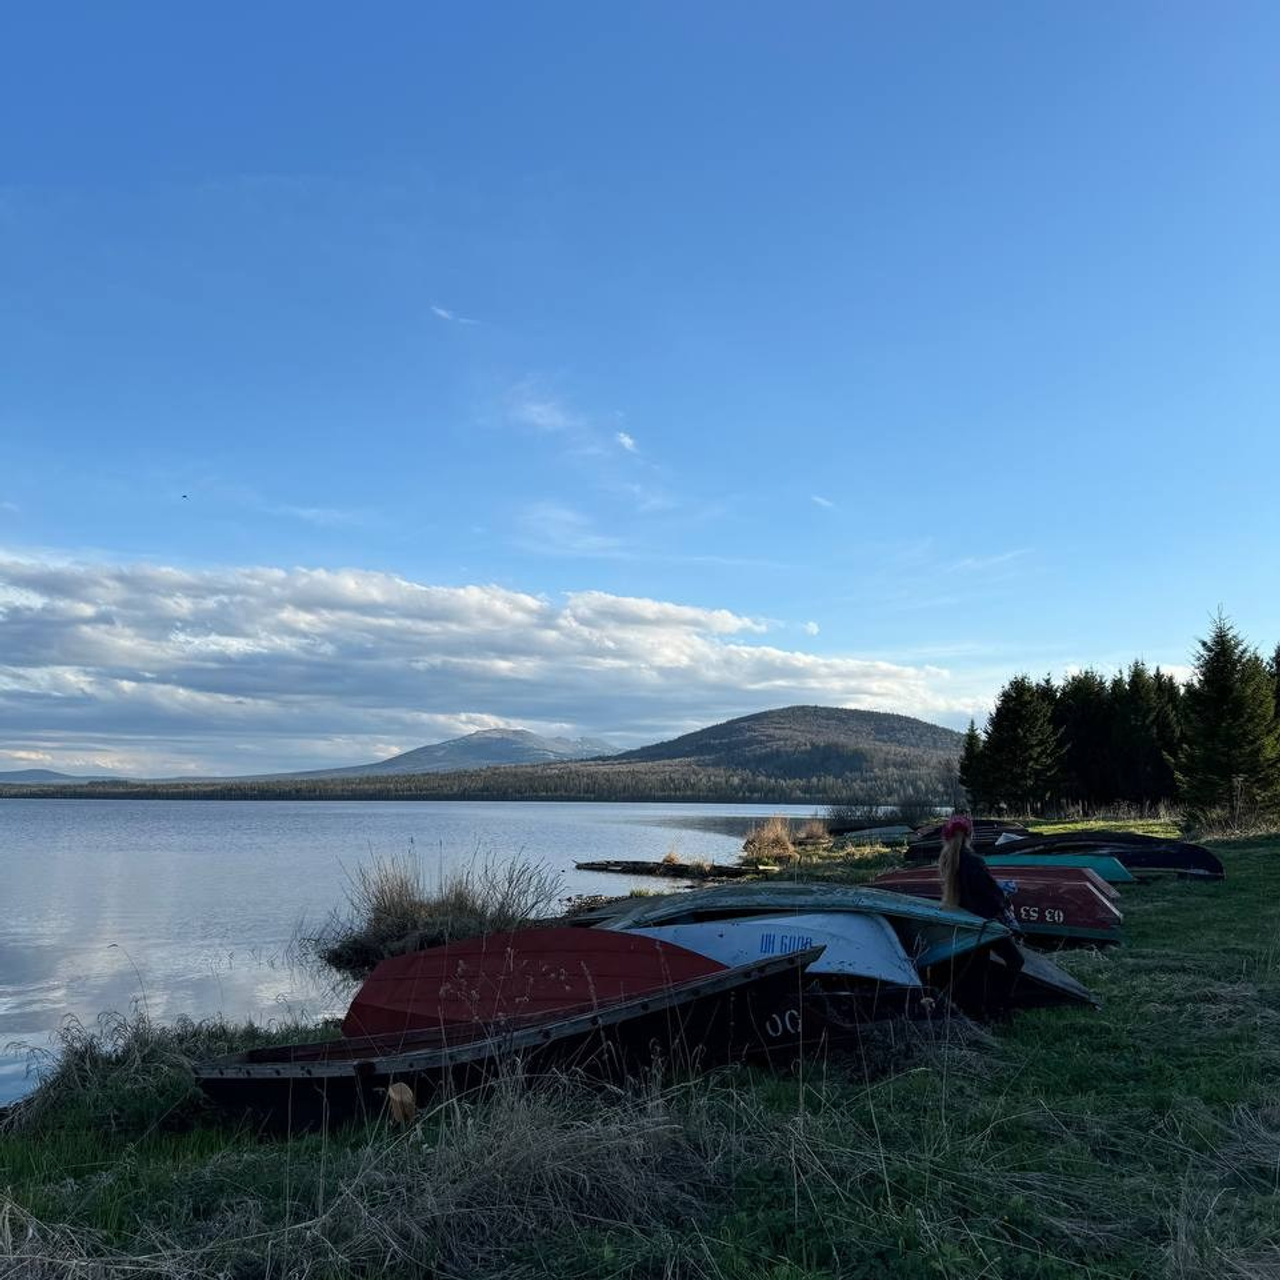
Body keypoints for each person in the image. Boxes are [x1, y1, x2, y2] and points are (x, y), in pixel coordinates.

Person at [937, 813, 1024, 987]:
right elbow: (990, 894)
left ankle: (980, 1009)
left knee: (978, 967)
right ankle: (999, 1006)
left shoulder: (947, 861)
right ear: (970, 835)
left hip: (965, 920)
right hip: (985, 923)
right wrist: (1004, 897)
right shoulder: (974, 861)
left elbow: (972, 887)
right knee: (1016, 961)